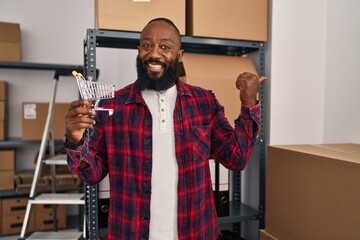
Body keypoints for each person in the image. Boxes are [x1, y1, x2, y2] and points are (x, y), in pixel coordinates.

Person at [64, 17, 267, 240]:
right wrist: (75, 141)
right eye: (147, 45)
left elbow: (235, 159)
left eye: (165, 47)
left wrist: (249, 103)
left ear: (179, 55)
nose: (154, 54)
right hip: (130, 233)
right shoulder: (113, 105)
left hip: (197, 232)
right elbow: (92, 173)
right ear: (138, 50)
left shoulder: (203, 102)